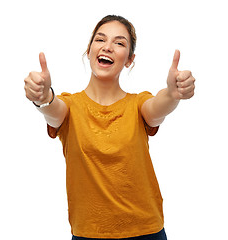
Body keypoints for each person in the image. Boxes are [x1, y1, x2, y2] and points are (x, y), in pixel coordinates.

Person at [24, 15, 195, 240]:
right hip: (89, 233)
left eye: (119, 43)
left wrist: (174, 94)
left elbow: (157, 108)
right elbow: (53, 109)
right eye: (100, 39)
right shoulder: (70, 107)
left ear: (129, 60)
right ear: (89, 50)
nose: (108, 47)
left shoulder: (138, 105)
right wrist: (43, 97)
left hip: (146, 231)